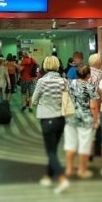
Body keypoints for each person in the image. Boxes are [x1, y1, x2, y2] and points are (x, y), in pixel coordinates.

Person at [32, 55, 71, 194]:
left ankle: (61, 178)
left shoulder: (42, 82)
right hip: (60, 119)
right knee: (53, 149)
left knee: (50, 151)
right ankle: (47, 177)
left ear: (45, 66)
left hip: (46, 119)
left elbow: (33, 99)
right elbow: (67, 99)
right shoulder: (64, 81)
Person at [64, 66, 99, 179]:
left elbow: (65, 99)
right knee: (84, 145)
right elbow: (93, 106)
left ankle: (69, 169)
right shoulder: (90, 87)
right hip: (85, 119)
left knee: (70, 144)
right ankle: (82, 170)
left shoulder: (70, 84)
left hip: (71, 118)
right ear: (88, 75)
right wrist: (96, 120)